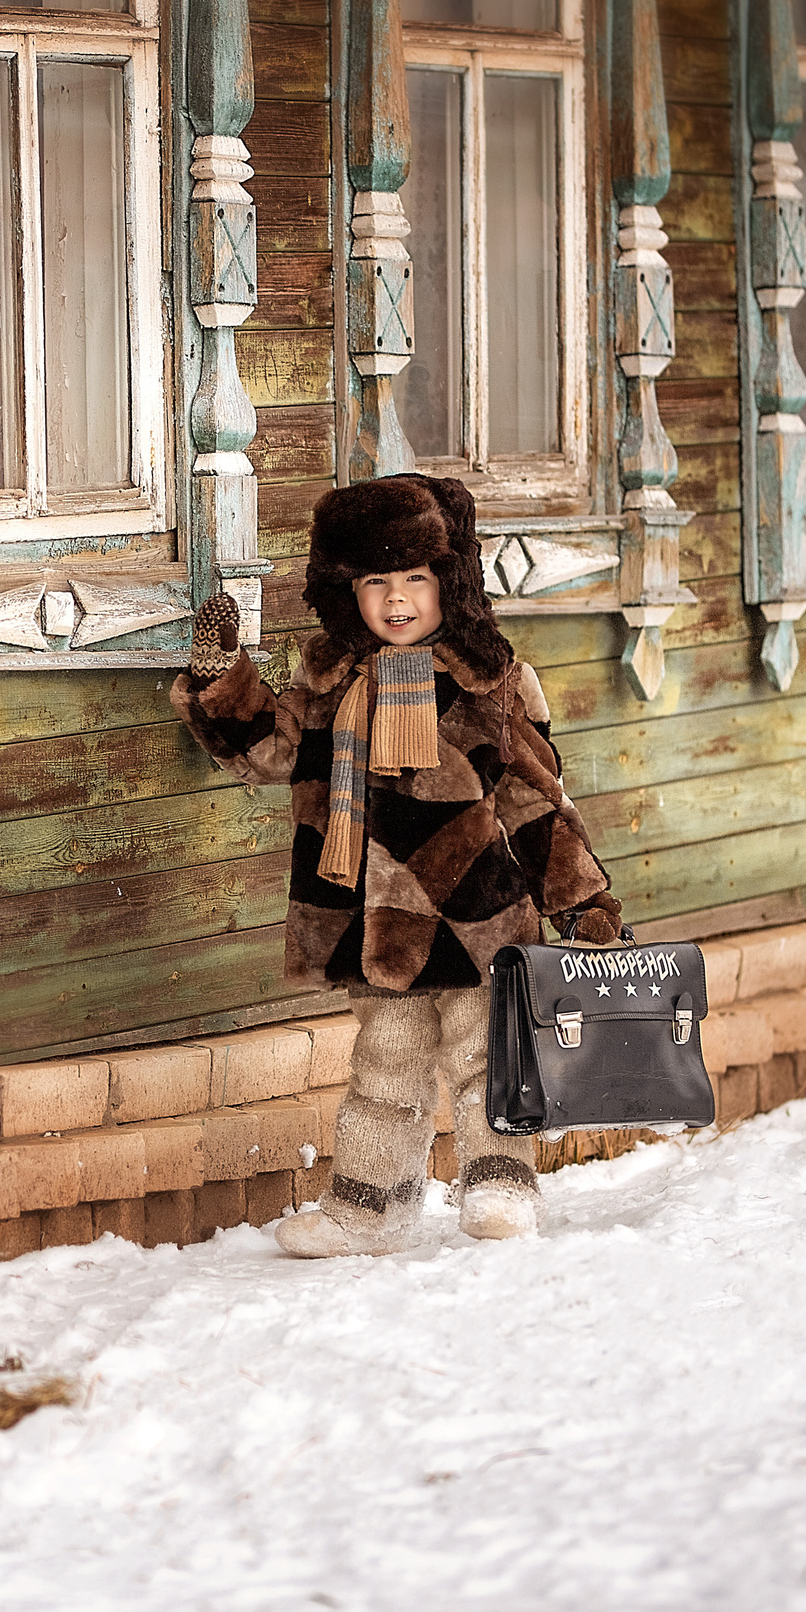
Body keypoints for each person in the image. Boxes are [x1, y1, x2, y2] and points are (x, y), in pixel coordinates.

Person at [172, 474, 625, 1257]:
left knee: (490, 1059)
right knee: (383, 1071)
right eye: (376, 582)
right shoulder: (328, 682)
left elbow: (537, 803)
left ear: (448, 582)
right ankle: (369, 1208)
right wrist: (222, 678)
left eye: (415, 578)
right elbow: (270, 752)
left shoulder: (493, 685)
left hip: (479, 920)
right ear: (347, 591)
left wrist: (583, 905)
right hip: (371, 925)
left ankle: (501, 1187)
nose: (397, 600)